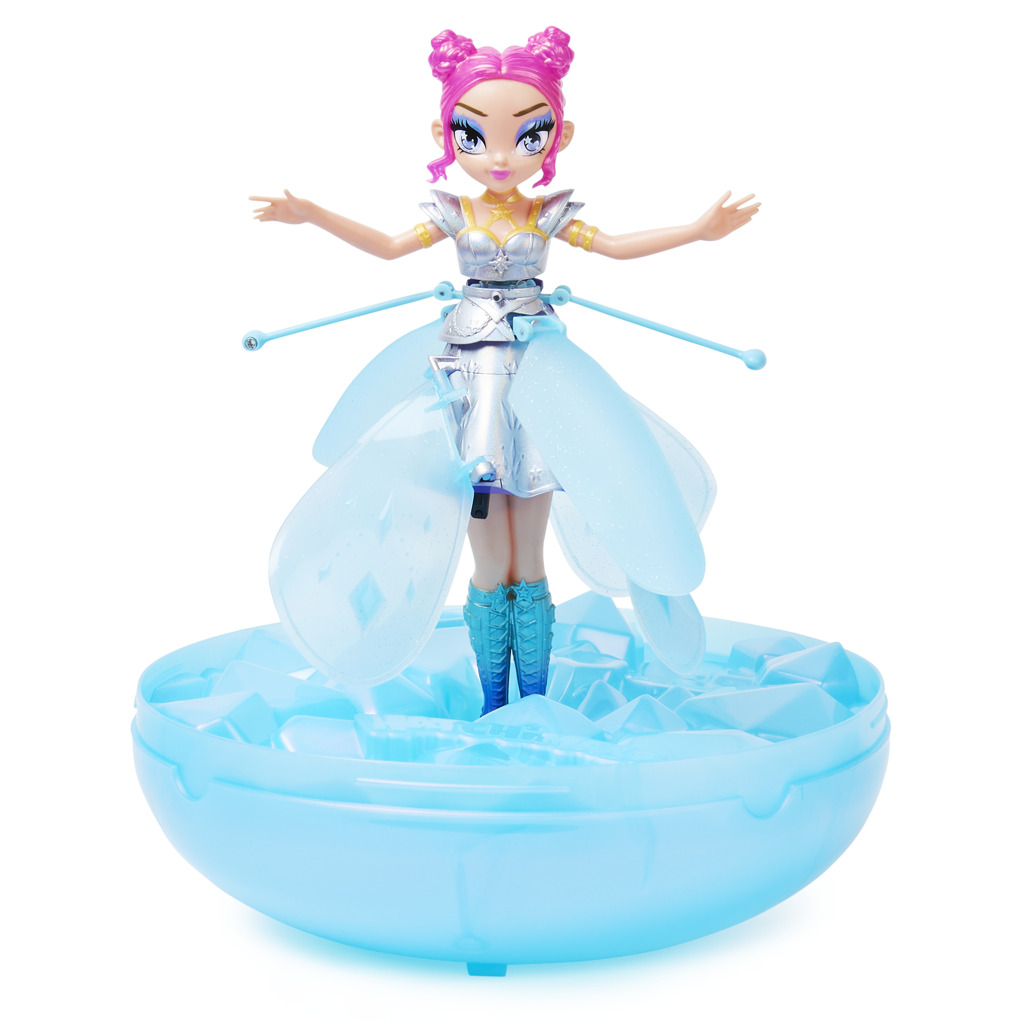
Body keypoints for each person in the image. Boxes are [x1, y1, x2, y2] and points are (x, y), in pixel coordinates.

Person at [251, 27, 759, 717]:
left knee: (530, 558)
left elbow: (614, 246)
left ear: (559, 136)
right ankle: (496, 705)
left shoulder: (549, 214)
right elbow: (388, 246)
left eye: (527, 135)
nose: (498, 156)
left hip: (538, 381)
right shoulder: (453, 213)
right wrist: (310, 214)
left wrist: (696, 231)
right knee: (490, 560)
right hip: (467, 386)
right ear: (445, 134)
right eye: (473, 134)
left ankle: (535, 703)